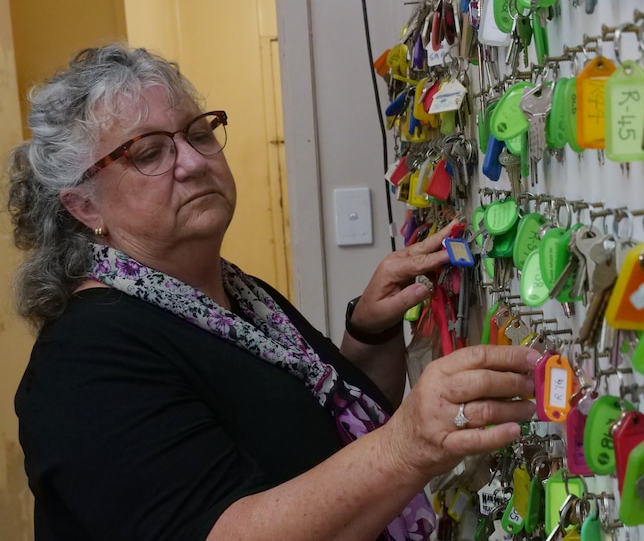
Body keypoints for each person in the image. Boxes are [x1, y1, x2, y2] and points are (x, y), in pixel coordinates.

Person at [6, 44, 537, 541]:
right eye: (148, 153)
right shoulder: (83, 365)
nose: (192, 162)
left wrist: (369, 332)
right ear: (84, 207)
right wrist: (410, 445)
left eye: (198, 132)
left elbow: (326, 436)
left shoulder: (234, 295)